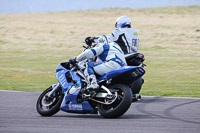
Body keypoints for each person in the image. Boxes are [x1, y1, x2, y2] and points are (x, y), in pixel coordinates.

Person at [85, 16, 143, 100]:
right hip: (133, 54)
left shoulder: (119, 31)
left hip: (121, 55)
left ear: (119, 23)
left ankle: (93, 81)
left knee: (94, 63)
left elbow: (105, 38)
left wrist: (92, 39)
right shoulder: (135, 33)